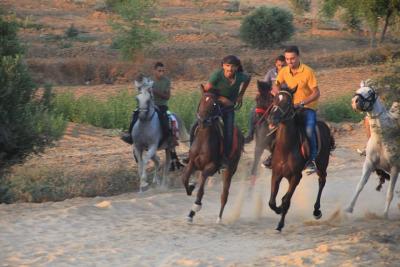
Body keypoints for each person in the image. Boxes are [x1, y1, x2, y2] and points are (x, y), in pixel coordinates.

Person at [266, 45, 320, 174]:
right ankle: (272, 156)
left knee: (309, 129)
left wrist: (301, 103)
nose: (290, 61)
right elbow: (276, 84)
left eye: (292, 58)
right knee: (273, 127)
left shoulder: (308, 71)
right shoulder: (284, 71)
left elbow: (316, 93)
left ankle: (311, 160)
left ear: (298, 57)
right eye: (287, 59)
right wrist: (279, 95)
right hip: (289, 108)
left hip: (306, 108)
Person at [195, 55, 251, 166]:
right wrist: (222, 99)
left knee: (229, 130)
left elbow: (248, 78)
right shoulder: (217, 75)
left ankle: (225, 157)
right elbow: (206, 92)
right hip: (215, 105)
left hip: (228, 108)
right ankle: (192, 153)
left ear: (237, 67)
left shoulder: (240, 77)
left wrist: (241, 95)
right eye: (227, 66)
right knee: (198, 125)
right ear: (223, 66)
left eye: (233, 66)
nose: (230, 69)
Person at [121, 62, 172, 145]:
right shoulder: (148, 80)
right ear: (154, 71)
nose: (161, 73)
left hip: (161, 106)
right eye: (159, 71)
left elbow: (167, 97)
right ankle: (130, 134)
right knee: (135, 114)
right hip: (149, 105)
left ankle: (168, 138)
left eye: (163, 71)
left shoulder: (166, 81)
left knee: (164, 120)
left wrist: (155, 91)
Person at [244, 55, 286, 143]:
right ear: (276, 64)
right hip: (270, 99)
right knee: (254, 110)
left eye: (283, 65)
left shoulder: (288, 74)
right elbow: (264, 85)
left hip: (283, 100)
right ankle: (250, 133)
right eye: (279, 65)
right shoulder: (271, 73)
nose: (281, 67)